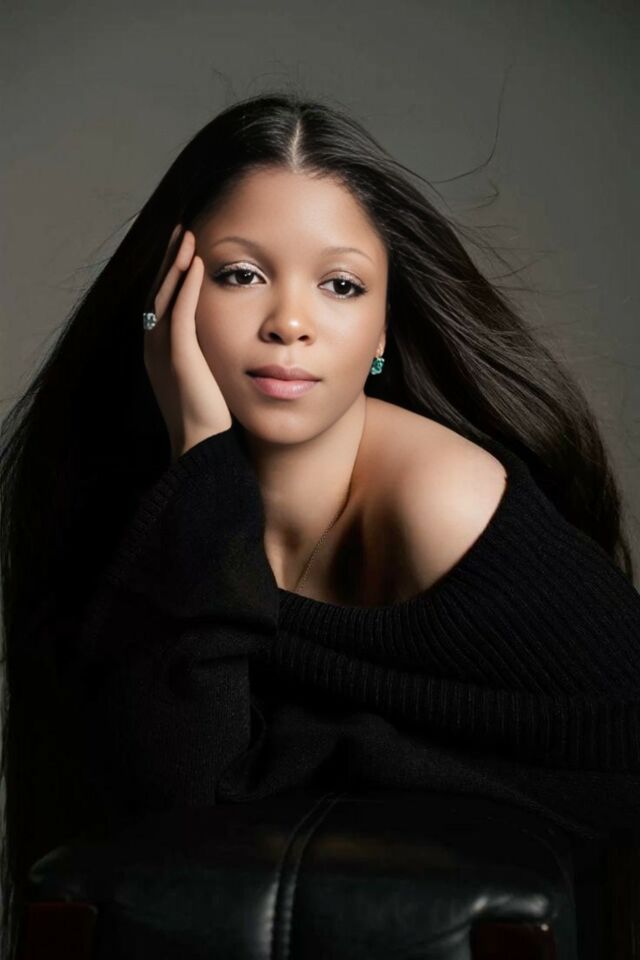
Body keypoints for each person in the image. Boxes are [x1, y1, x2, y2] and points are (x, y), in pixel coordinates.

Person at [1, 91, 639, 959]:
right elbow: (165, 821)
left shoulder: (440, 504)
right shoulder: (130, 502)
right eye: (241, 275)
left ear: (381, 331)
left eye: (341, 285)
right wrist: (200, 459)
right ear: (165, 298)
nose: (290, 324)